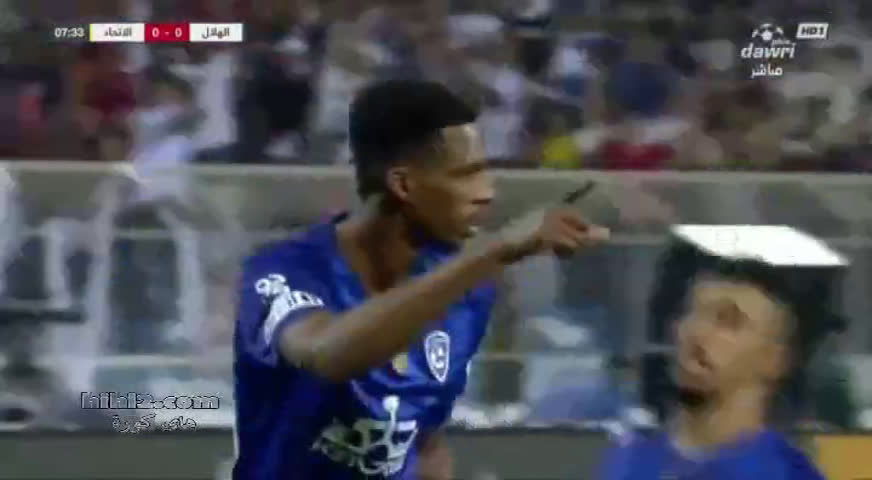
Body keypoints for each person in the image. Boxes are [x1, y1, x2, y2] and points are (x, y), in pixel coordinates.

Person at [231, 79, 609, 479]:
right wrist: (492, 252)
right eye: (466, 175)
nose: (487, 193)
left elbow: (424, 443)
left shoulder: (467, 291)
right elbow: (329, 355)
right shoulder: (283, 270)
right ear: (403, 185)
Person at [599, 225, 844, 480]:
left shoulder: (785, 474)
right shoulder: (631, 459)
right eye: (690, 311)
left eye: (728, 321)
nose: (696, 331)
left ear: (776, 359)